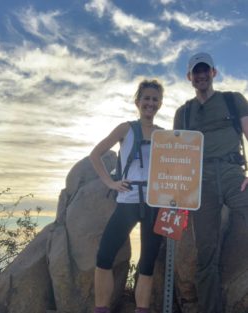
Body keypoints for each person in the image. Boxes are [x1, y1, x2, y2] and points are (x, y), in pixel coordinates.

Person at [173, 52, 248, 313]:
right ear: (189, 77)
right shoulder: (183, 113)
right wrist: (176, 194)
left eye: (205, 70)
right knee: (206, 253)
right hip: (200, 181)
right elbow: (177, 153)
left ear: (213, 73)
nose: (201, 75)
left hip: (232, 174)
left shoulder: (232, 100)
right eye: (196, 71)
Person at [89, 79, 164, 313]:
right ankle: (102, 309)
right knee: (104, 256)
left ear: (159, 103)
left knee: (148, 264)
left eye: (154, 99)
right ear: (137, 101)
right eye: (146, 98)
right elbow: (96, 154)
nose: (150, 103)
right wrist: (110, 182)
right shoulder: (126, 128)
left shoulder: (164, 135)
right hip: (128, 200)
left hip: (153, 202)